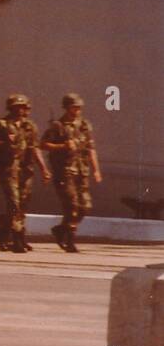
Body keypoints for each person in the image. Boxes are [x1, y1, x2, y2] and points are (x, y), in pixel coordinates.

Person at [41, 93, 100, 253]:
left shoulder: (84, 125)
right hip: (65, 172)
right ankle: (70, 241)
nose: (77, 110)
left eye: (79, 107)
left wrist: (96, 170)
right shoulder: (58, 126)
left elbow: (90, 148)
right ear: (67, 107)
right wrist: (63, 146)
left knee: (85, 206)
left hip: (82, 171)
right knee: (72, 205)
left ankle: (61, 229)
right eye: (74, 107)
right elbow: (43, 144)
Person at [0, 93, 49, 253]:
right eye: (18, 107)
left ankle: (4, 232)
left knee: (22, 204)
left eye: (23, 107)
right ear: (11, 108)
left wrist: (44, 168)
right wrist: (5, 143)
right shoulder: (1, 125)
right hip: (8, 169)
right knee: (14, 203)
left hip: (25, 170)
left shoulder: (29, 126)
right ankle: (17, 239)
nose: (21, 110)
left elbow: (35, 147)